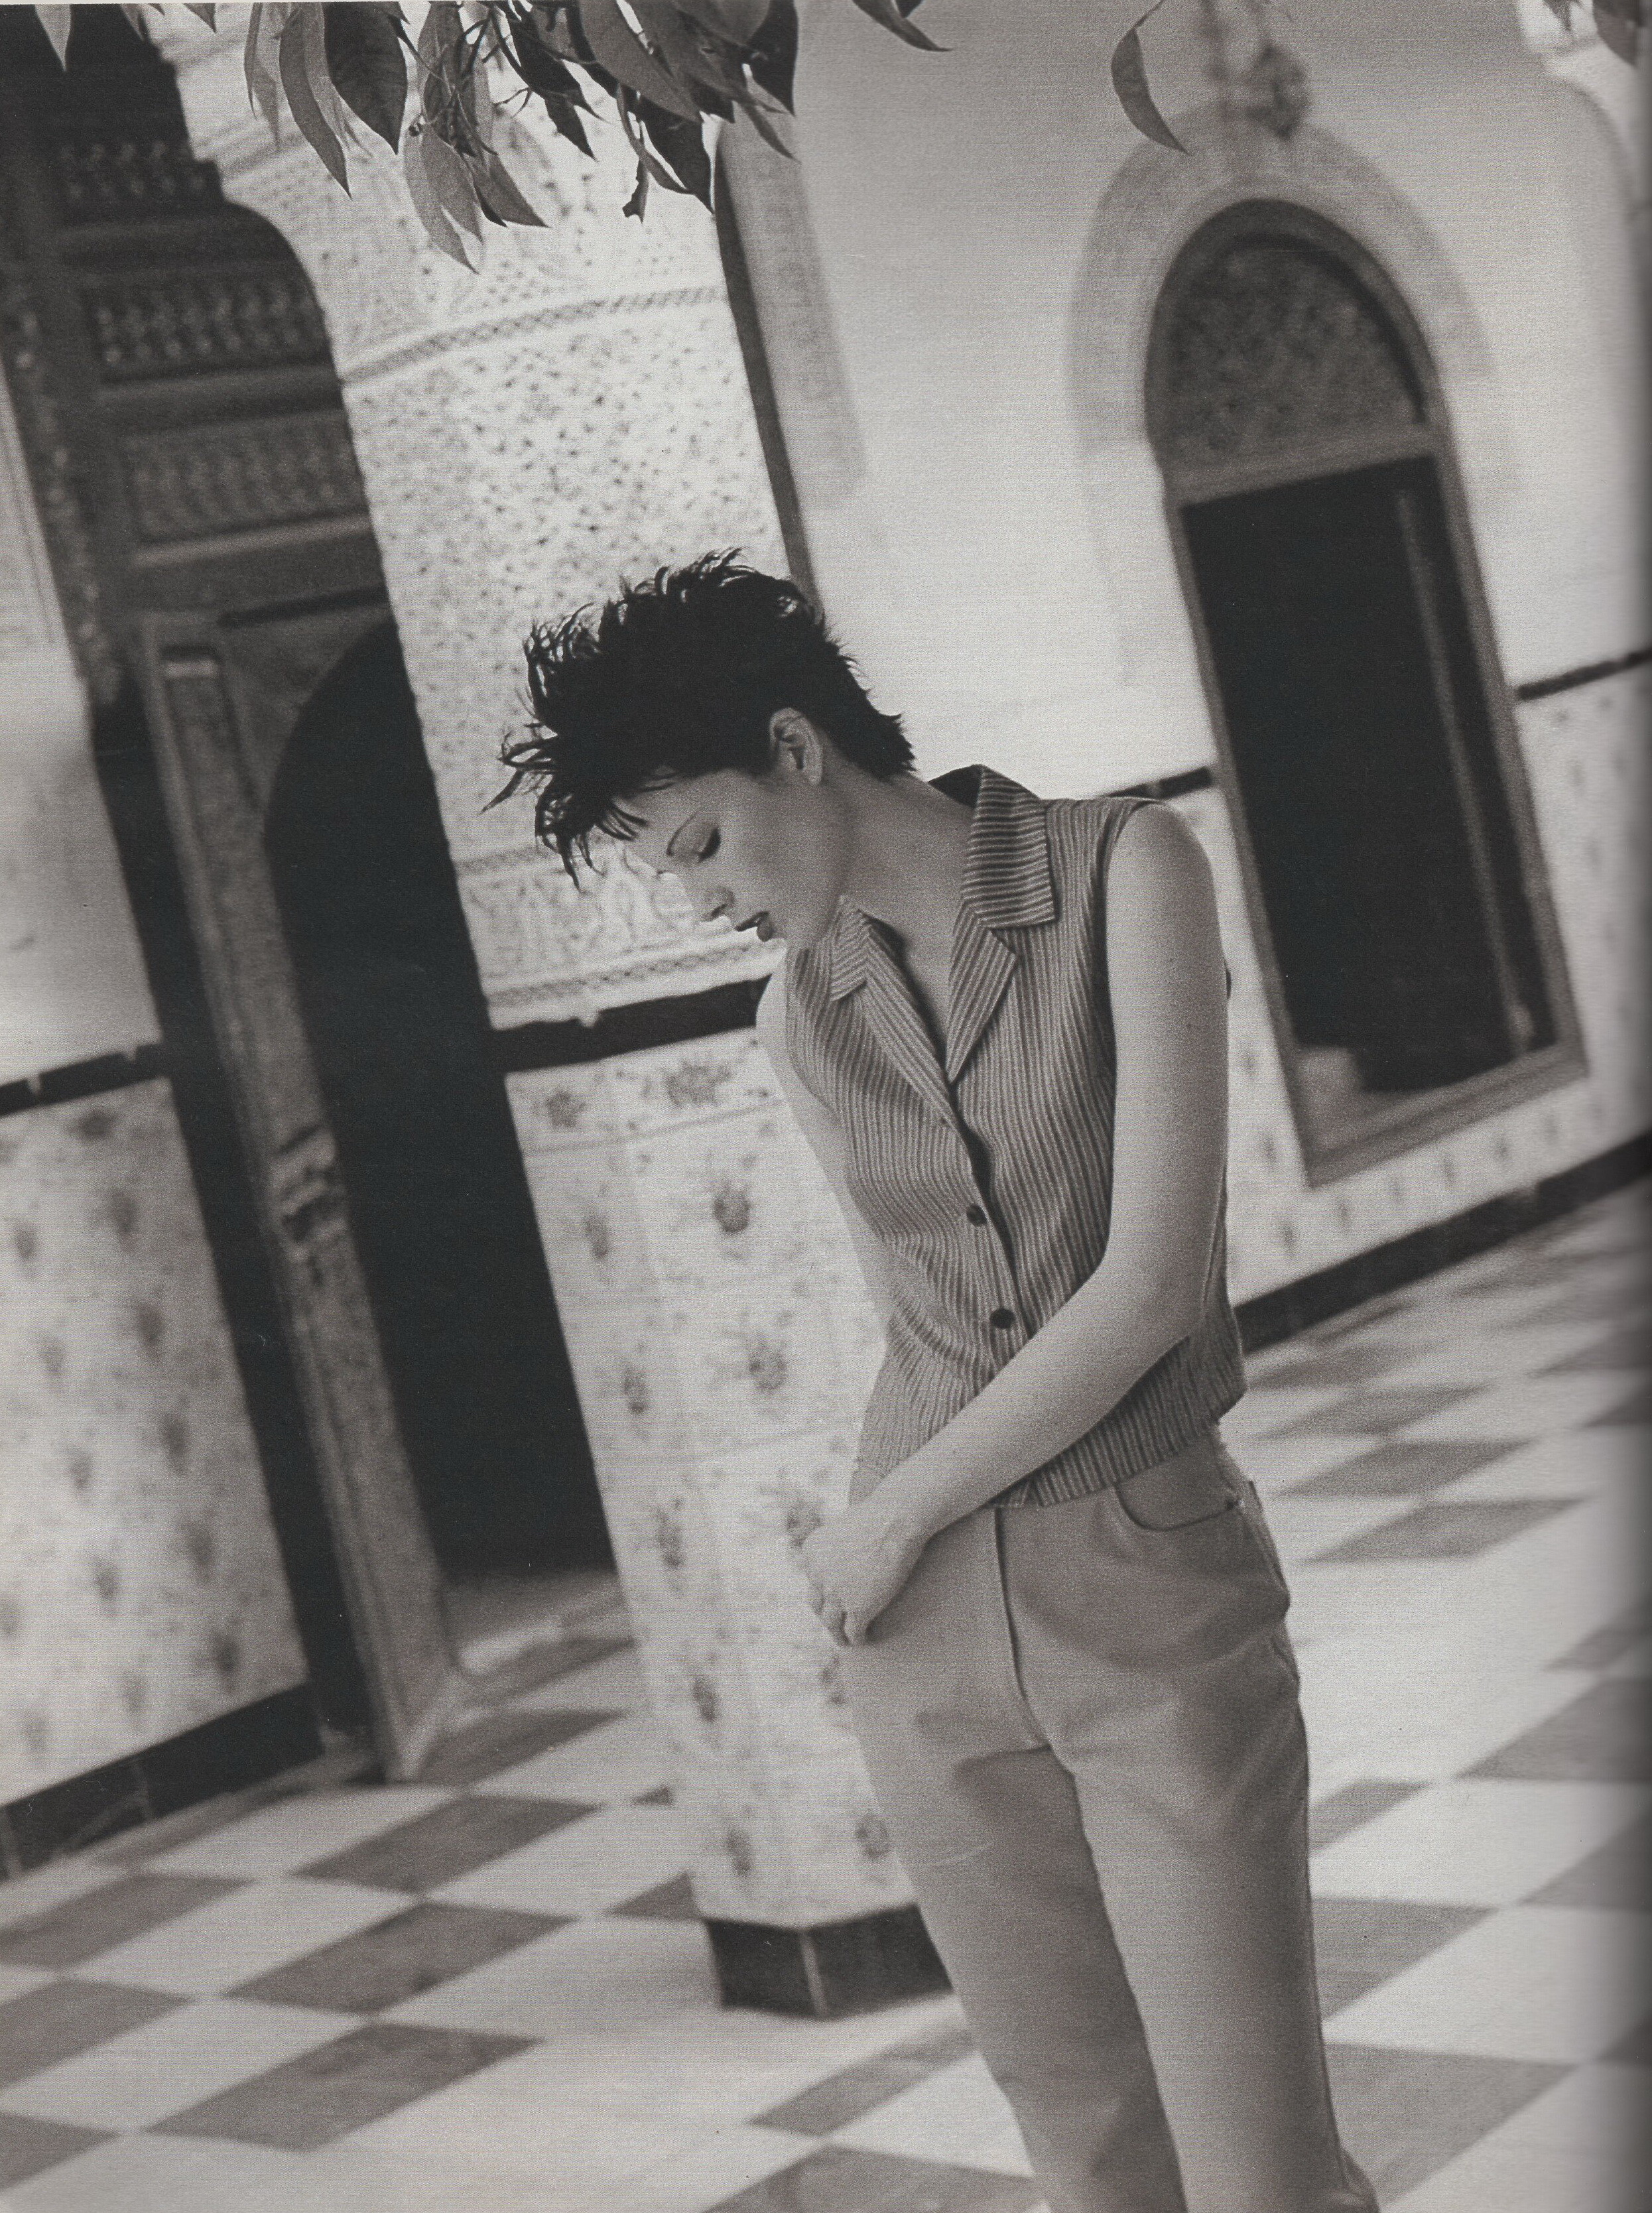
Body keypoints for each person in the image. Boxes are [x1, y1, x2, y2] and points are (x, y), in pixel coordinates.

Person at [498, 553, 1377, 2213]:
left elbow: (1149, 1286)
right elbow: (918, 1319)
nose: (696, 901)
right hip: (922, 1632)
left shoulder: (1128, 870)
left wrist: (891, 1514)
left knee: (1261, 2176)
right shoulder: (800, 1015)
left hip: (1141, 1577)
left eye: (699, 844)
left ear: (795, 746)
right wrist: (897, 1538)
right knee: (1093, 2167)